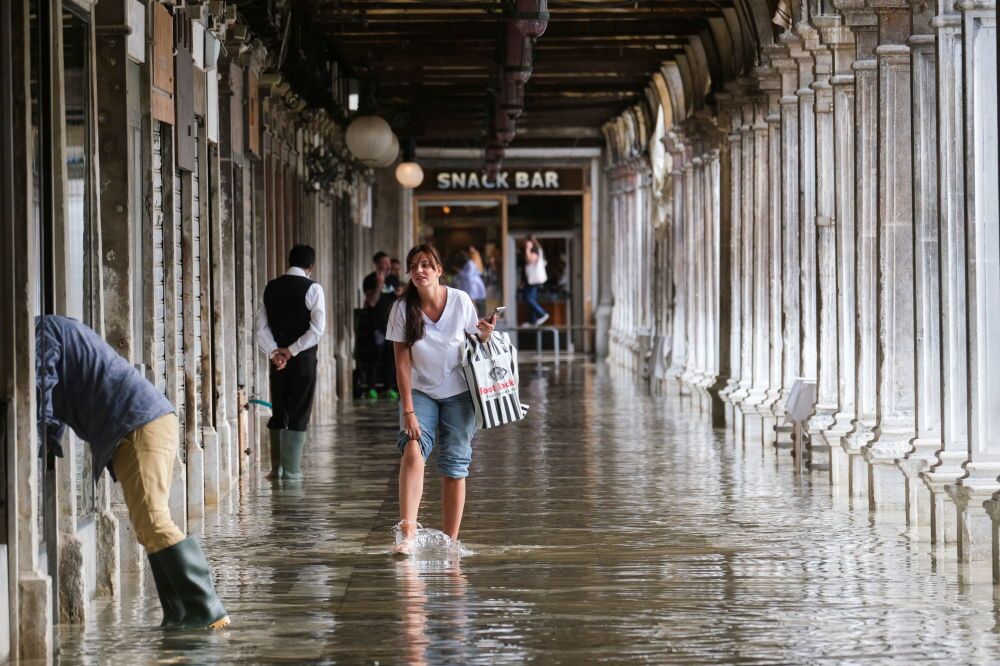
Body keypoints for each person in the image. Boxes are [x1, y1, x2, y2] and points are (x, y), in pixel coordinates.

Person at [36, 315, 230, 629]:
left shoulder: (41, 332)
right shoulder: (55, 330)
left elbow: (39, 387)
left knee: (154, 521)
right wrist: (49, 437)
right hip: (142, 422)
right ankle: (179, 614)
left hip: (136, 424)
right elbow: (53, 397)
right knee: (146, 526)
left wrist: (38, 434)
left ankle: (207, 608)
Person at [387, 244, 497, 554]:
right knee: (412, 446)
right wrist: (408, 409)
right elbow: (402, 364)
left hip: (459, 392)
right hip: (421, 391)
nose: (419, 270)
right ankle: (407, 536)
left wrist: (485, 336)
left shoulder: (460, 301)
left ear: (438, 271)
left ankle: (450, 541)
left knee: (455, 465)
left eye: (426, 265)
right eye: (414, 266)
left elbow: (474, 345)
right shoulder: (401, 308)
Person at [255, 244, 326, 481]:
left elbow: (260, 327)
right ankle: (292, 471)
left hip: (278, 362)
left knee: (279, 410)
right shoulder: (313, 288)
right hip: (303, 359)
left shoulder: (271, 288)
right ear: (310, 267)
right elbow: (317, 330)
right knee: (300, 411)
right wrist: (292, 350)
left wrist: (276, 352)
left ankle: (277, 470)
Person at [363, 251, 401, 398]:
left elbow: (397, 301)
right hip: (376, 324)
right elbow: (371, 302)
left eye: (388, 263)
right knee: (375, 356)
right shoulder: (369, 280)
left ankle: (389, 387)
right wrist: (379, 285)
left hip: (392, 324)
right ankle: (371, 387)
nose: (387, 266)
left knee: (390, 357)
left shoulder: (394, 279)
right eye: (384, 263)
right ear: (377, 264)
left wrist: (400, 295)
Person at [522, 235, 549, 326]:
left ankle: (542, 313)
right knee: (531, 299)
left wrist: (527, 248)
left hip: (534, 280)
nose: (525, 243)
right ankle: (533, 321)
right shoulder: (536, 250)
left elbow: (529, 260)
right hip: (532, 280)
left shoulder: (535, 251)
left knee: (528, 298)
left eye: (526, 241)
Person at [451, 250, 487, 317]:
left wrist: (459, 271)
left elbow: (468, 275)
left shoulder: (470, 263)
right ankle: (475, 318)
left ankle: (473, 319)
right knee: (473, 303)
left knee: (471, 303)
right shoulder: (477, 262)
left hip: (471, 285)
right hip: (475, 284)